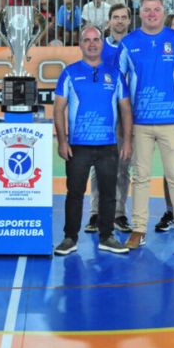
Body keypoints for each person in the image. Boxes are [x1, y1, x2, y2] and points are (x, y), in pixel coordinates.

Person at [118, 0, 174, 252]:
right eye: (147, 10)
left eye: (156, 9)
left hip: (172, 122)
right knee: (140, 177)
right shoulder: (128, 43)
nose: (152, 14)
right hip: (139, 123)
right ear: (140, 13)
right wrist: (124, 126)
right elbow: (119, 87)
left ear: (163, 12)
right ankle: (139, 229)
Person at [53, 25, 132, 255]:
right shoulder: (69, 73)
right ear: (80, 44)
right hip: (78, 146)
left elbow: (126, 109)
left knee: (109, 194)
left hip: (108, 145)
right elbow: (58, 109)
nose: (91, 44)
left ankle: (107, 237)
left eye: (96, 39)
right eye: (86, 40)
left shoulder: (115, 74)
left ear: (101, 43)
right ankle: (70, 238)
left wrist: (127, 141)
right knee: (74, 193)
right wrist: (62, 141)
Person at [86, 4, 133, 233]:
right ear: (109, 21)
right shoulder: (99, 46)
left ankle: (119, 214)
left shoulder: (135, 45)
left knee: (123, 166)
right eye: (116, 17)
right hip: (103, 114)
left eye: (124, 17)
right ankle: (95, 213)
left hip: (127, 113)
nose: (120, 21)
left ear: (129, 21)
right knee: (98, 165)